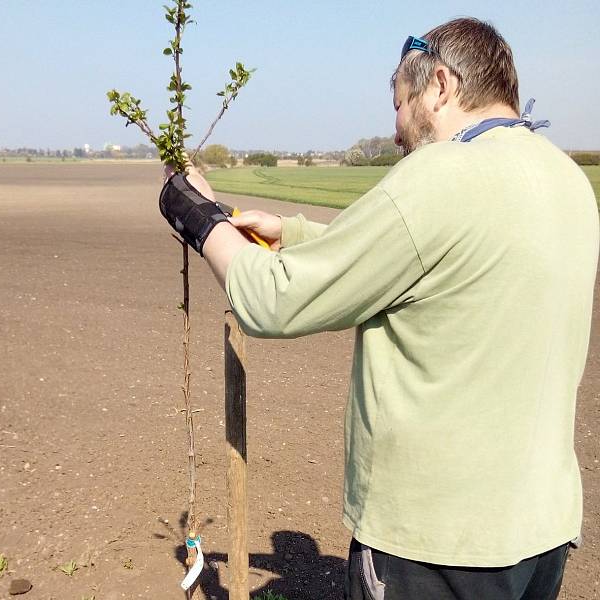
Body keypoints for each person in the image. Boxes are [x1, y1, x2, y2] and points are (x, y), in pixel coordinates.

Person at [159, 17, 599, 600]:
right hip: (538, 532)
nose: (395, 130)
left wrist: (197, 215)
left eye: (400, 102)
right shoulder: (564, 178)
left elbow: (271, 300)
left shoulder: (440, 175)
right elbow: (433, 260)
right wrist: (290, 231)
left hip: (436, 545)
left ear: (440, 85)